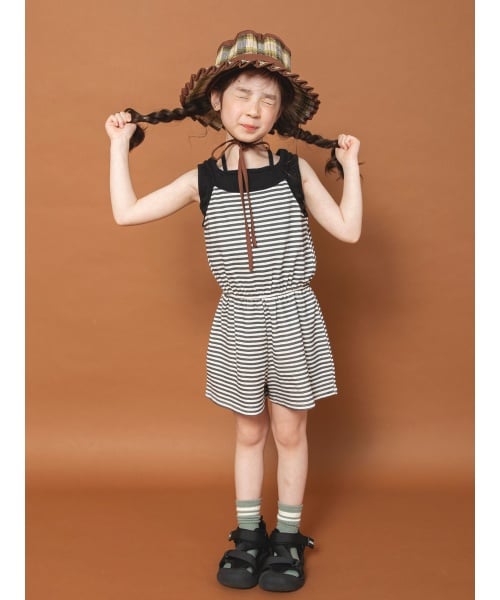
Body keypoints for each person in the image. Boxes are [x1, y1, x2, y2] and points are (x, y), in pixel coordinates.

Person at [104, 30, 362, 593]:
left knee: (290, 432)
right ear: (217, 99)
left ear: (281, 112)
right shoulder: (203, 179)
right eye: (243, 94)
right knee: (249, 432)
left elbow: (348, 230)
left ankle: (287, 539)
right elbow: (126, 213)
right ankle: (249, 535)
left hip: (292, 315)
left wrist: (351, 166)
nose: (254, 109)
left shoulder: (294, 170)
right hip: (240, 319)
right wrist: (119, 146)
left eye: (269, 99)